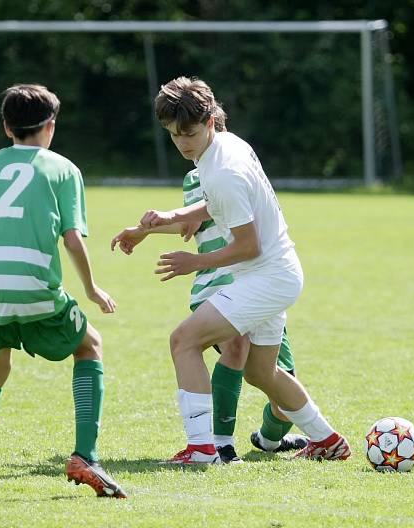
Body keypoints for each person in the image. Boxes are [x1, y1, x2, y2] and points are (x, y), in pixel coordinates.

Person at [134, 76, 350, 464]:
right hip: (277, 273)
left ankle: (202, 449)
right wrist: (171, 217)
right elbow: (215, 206)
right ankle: (327, 440)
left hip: (267, 276)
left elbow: (248, 245)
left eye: (190, 133)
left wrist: (194, 262)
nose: (183, 142)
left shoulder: (222, 172)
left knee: (183, 341)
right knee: (261, 373)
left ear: (210, 121)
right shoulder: (229, 147)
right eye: (173, 134)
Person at [0, 84, 126, 497]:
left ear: (7, 127)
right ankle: (85, 456)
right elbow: (73, 240)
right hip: (34, 287)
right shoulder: (63, 169)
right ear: (51, 127)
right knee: (90, 345)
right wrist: (92, 288)